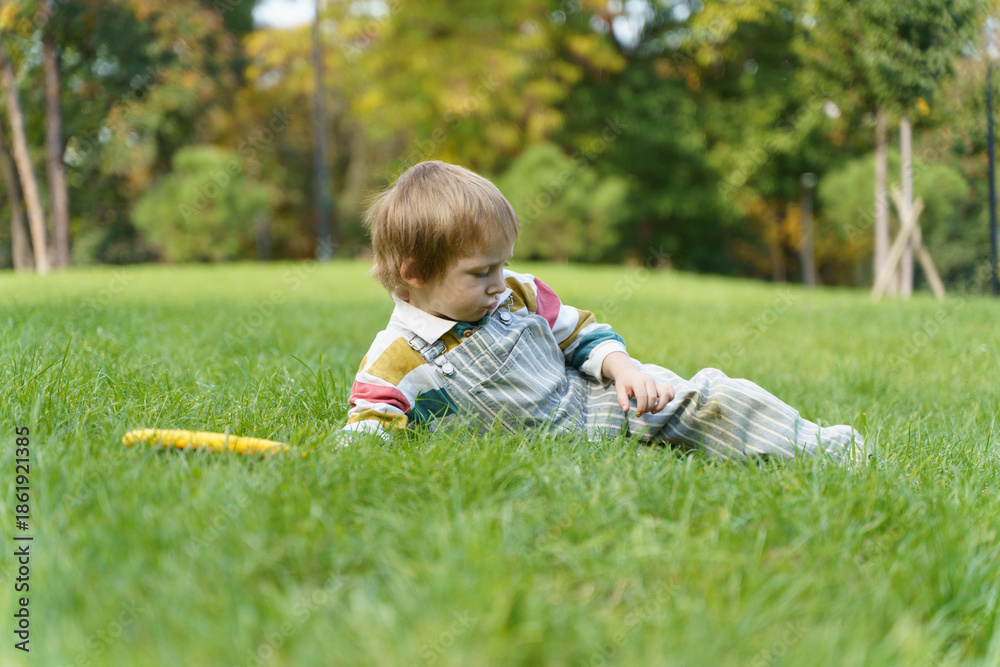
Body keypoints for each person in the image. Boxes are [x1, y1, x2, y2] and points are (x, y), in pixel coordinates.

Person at [342, 160, 868, 463]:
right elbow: (371, 424)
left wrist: (626, 370)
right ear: (417, 272)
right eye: (481, 273)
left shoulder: (519, 294)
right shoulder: (398, 358)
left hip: (597, 406)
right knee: (675, 447)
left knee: (706, 398)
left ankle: (826, 450)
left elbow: (582, 334)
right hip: (554, 447)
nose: (499, 283)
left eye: (503, 265)